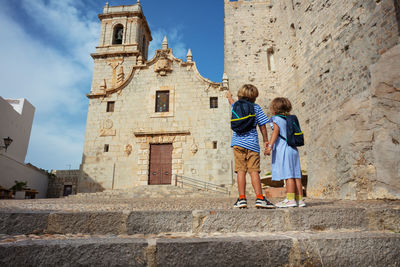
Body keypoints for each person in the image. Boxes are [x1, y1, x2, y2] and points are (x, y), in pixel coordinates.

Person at [226, 84, 275, 209]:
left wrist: (229, 96)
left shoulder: (235, 106)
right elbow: (263, 125)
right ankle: (259, 198)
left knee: (240, 171)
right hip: (252, 144)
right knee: (254, 171)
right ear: (254, 97)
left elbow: (231, 101)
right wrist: (265, 141)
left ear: (240, 94)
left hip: (237, 143)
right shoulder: (256, 108)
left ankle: (241, 199)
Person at [265, 97, 305, 207]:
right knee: (296, 175)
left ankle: (290, 199)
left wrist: (270, 146)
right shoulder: (291, 119)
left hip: (284, 149)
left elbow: (276, 132)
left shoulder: (276, 119)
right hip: (293, 149)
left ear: (274, 109)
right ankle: (300, 200)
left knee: (289, 176)